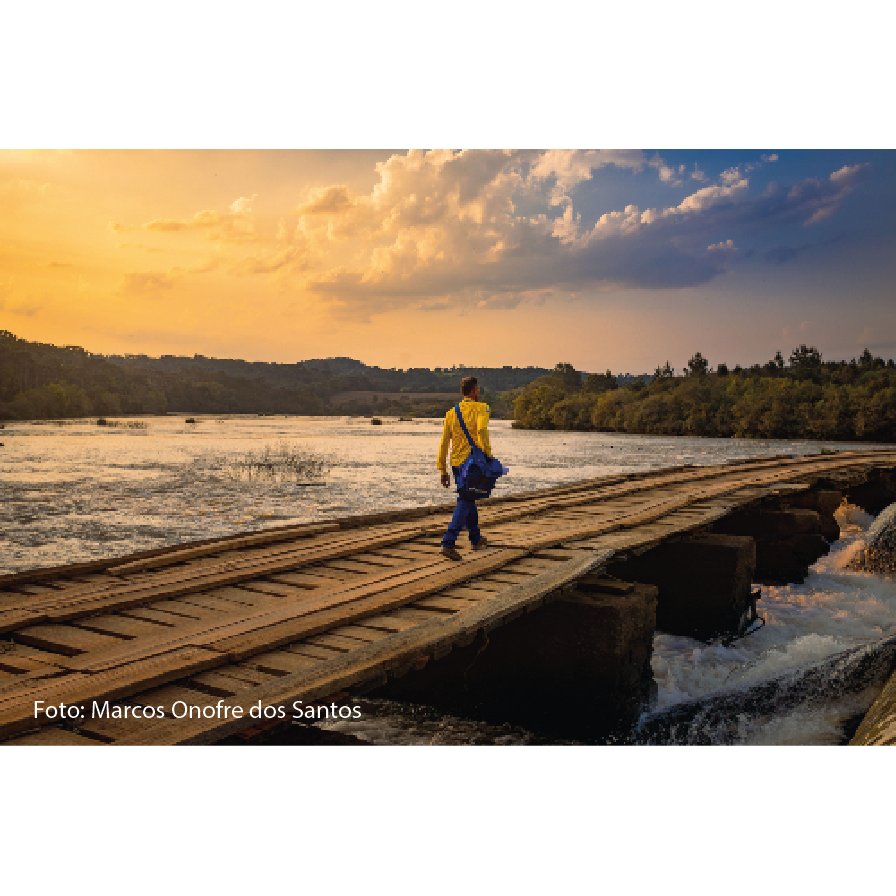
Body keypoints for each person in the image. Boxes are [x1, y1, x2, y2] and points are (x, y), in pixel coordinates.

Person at [437, 375, 492, 560]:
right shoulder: (482, 408)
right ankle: (448, 542)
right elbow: (482, 431)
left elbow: (444, 443)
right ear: (474, 390)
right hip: (473, 463)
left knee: (468, 497)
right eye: (478, 389)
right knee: (466, 499)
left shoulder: (451, 413)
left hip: (455, 464)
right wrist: (488, 455)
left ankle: (475, 539)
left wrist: (442, 469)